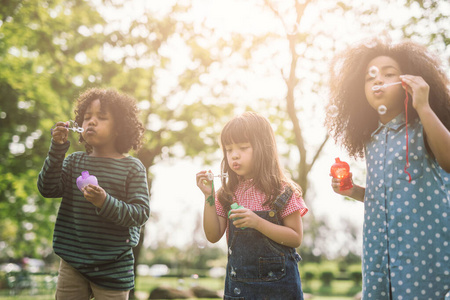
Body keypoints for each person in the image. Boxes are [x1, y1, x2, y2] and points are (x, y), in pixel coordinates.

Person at [326, 38, 450, 299]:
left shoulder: (422, 127)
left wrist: (423, 106)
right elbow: (383, 194)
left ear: (408, 81)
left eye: (388, 74)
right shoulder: (372, 139)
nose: (378, 80)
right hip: (379, 255)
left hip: (423, 252)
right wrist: (353, 190)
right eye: (370, 78)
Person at [37, 88, 150, 300]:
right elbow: (47, 188)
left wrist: (104, 202)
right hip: (73, 263)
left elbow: (140, 213)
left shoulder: (132, 168)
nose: (92, 122)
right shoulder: (73, 162)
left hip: (114, 266)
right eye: (87, 117)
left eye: (102, 117)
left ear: (119, 127)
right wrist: (57, 148)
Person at [196, 111, 308, 300]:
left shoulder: (282, 191)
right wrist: (208, 197)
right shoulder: (226, 194)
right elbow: (213, 235)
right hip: (240, 290)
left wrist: (257, 223)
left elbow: (295, 237)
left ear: (263, 148)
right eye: (229, 149)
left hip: (280, 291)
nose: (234, 156)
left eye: (243, 147)